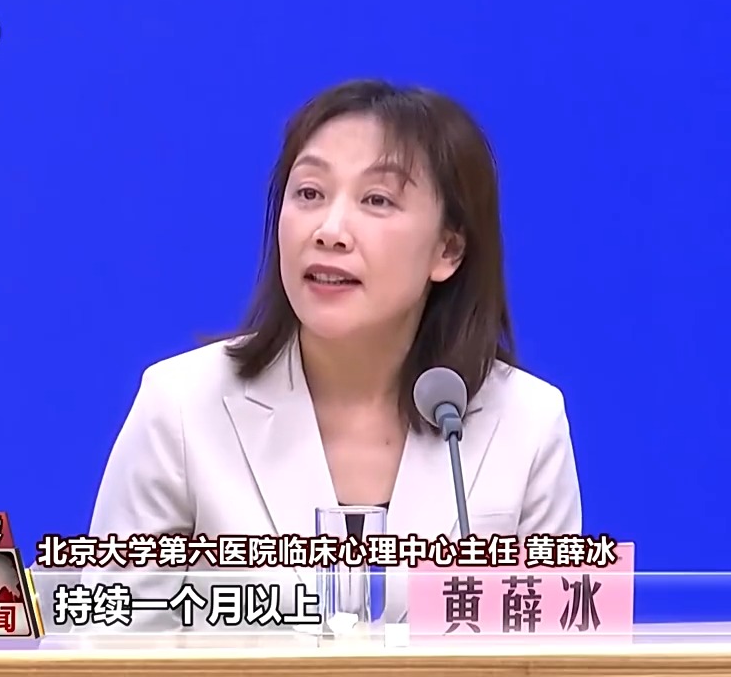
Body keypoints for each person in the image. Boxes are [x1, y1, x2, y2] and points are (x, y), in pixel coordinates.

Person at [85, 79, 581, 631]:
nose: (330, 230)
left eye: (377, 200)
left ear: (448, 249)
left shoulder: (527, 422)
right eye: (309, 193)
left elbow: (555, 651)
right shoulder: (182, 405)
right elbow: (105, 638)